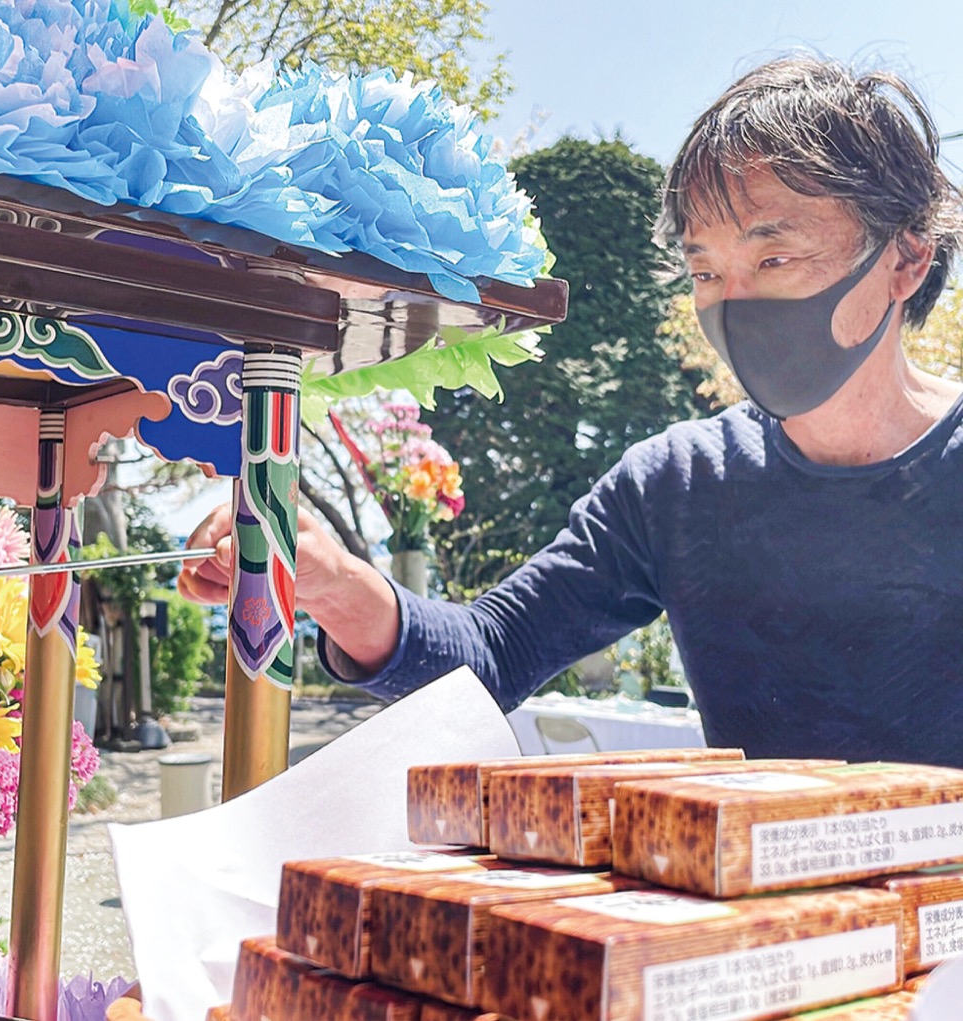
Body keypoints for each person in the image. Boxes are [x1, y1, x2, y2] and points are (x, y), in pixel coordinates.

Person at [180, 55, 963, 768]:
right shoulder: (678, 487)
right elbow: (494, 651)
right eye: (707, 271)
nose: (735, 302)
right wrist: (336, 583)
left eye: (774, 258)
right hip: (769, 916)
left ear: (906, 258)